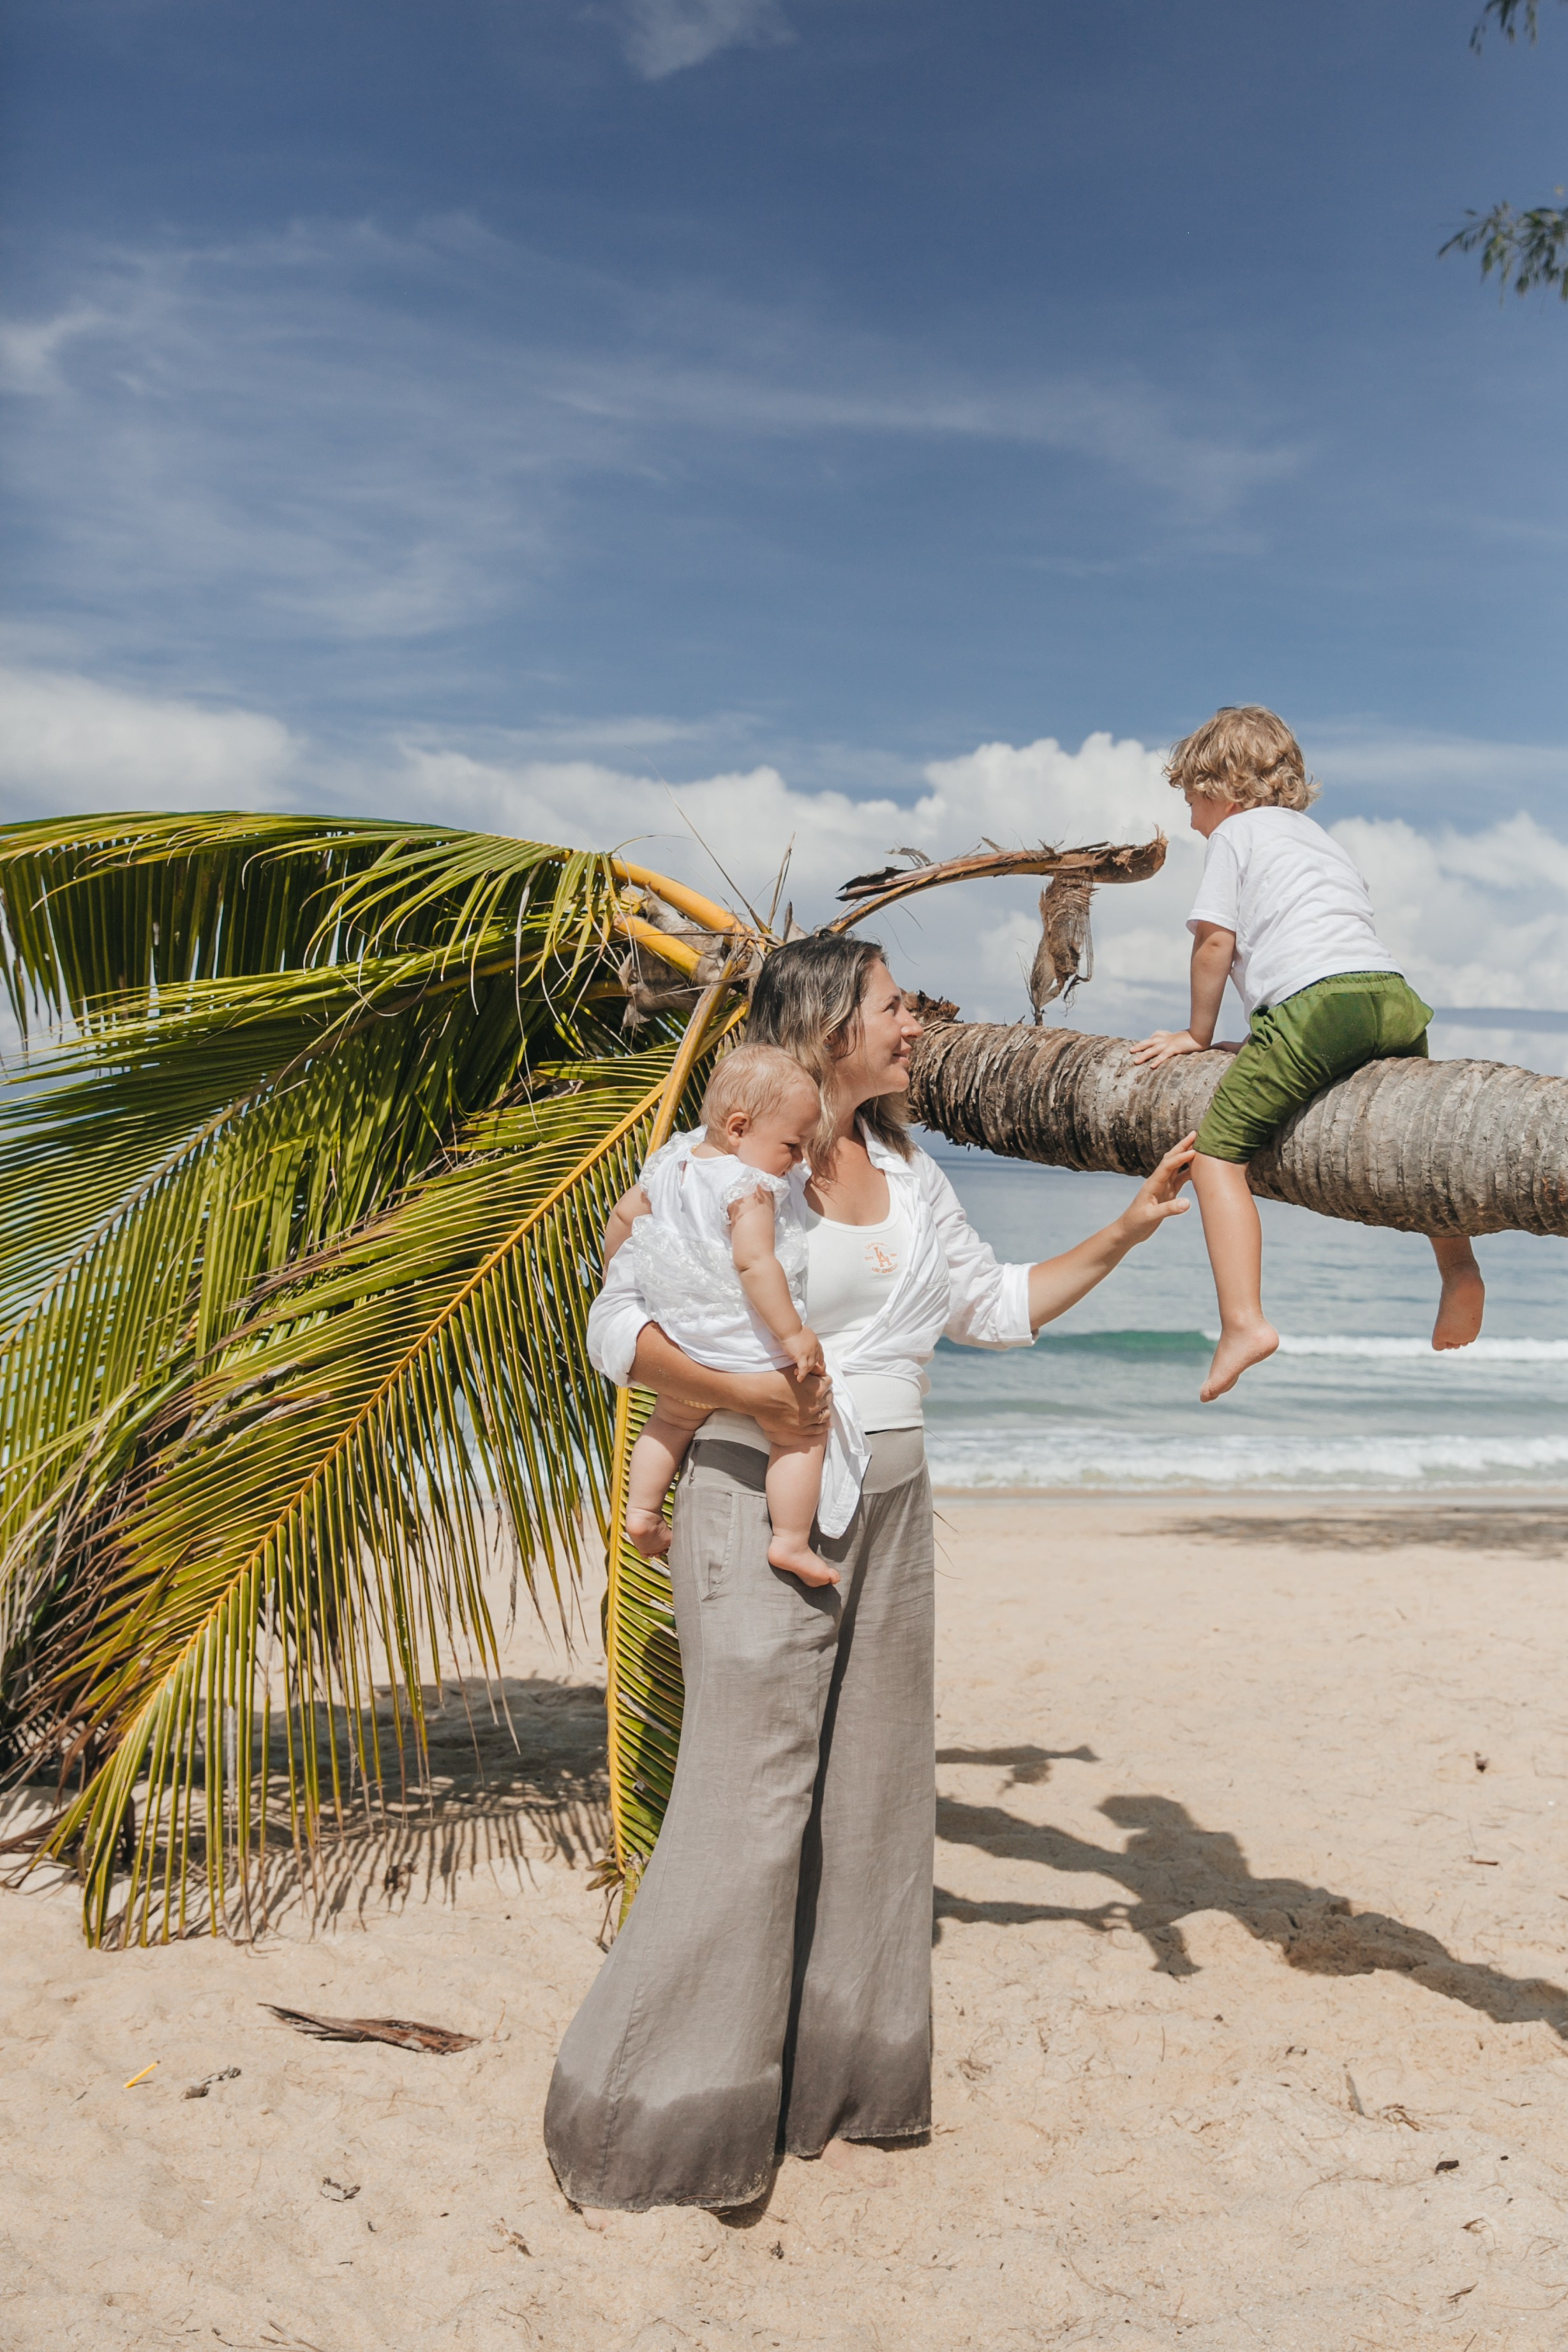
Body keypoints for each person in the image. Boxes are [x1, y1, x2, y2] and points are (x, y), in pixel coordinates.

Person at [543, 933, 1196, 2215]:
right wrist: (752, 1397)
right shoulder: (730, 1162)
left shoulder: (906, 1171)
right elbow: (616, 1326)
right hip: (754, 1497)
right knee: (749, 1800)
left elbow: (990, 1309)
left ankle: (829, 2090)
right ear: (830, 1021)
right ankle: (649, 2112)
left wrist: (1123, 1229)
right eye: (896, 1005)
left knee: (872, 1796)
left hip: (892, 1500)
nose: (915, 1024)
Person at [1131, 704, 1485, 1402]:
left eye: (1193, 798)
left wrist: (1197, 1035)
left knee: (1216, 1156)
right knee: (1420, 1148)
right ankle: (1459, 1273)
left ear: (1224, 789)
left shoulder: (1234, 836)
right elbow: (1320, 933)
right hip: (1390, 998)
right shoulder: (1319, 839)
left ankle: (1243, 1322)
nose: (1193, 817)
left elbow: (1214, 942)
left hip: (1317, 1005)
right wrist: (1266, 1032)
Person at [604, 1042, 841, 1588]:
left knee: (670, 1417)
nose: (799, 1159)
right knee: (802, 1431)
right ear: (738, 1128)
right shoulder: (748, 1185)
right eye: (792, 1144)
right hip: (738, 1342)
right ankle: (789, 1540)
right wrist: (794, 1332)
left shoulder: (671, 1163)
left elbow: (623, 1215)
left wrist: (616, 1272)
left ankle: (640, 1512)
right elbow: (754, 1262)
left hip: (680, 1331)